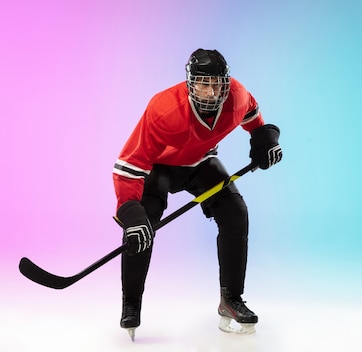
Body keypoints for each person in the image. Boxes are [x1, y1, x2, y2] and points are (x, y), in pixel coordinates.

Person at [112, 48, 282, 340]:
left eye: (217, 83)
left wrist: (264, 139)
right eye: (204, 82)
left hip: (201, 162)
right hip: (159, 167)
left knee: (235, 212)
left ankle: (230, 299)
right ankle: (131, 303)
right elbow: (131, 164)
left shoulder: (237, 97)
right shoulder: (164, 108)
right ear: (191, 83)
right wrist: (129, 209)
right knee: (143, 226)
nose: (211, 90)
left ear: (226, 83)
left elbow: (253, 115)